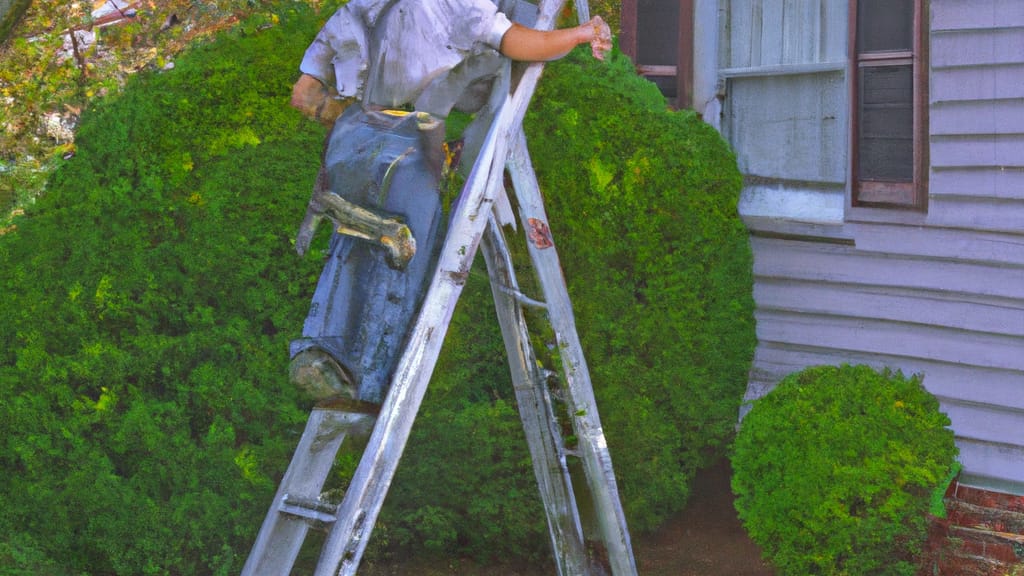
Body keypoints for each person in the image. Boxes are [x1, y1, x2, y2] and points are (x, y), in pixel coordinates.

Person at [288, 0, 612, 405]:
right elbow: (519, 42)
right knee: (404, 255)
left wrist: (322, 94)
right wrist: (581, 34)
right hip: (407, 144)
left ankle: (318, 352)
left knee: (352, 243)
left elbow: (306, 86)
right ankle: (369, 383)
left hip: (354, 137)